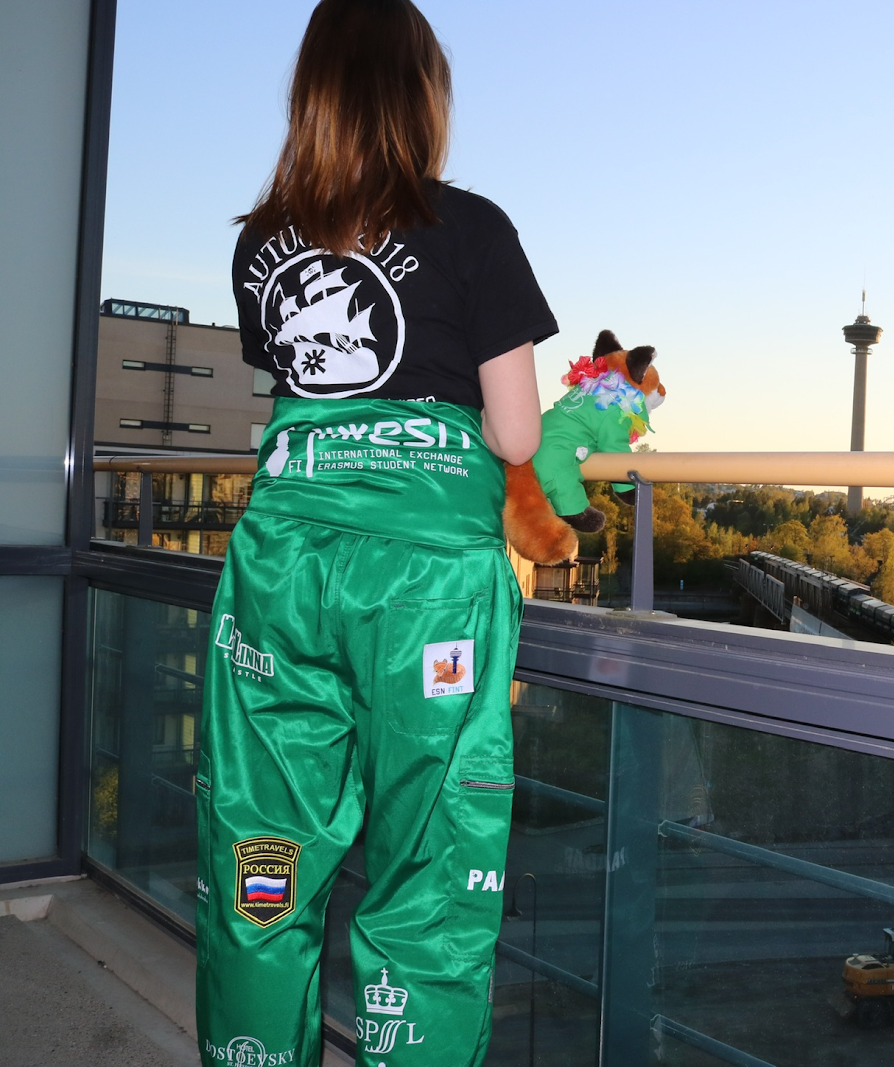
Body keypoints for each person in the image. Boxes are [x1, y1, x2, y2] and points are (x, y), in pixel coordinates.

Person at [195, 3, 554, 1065]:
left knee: (263, 854)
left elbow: (303, 385)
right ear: (423, 97)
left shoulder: (262, 245)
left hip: (282, 573)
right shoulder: (471, 226)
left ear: (312, 96)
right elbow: (518, 429)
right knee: (428, 871)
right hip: (423, 593)